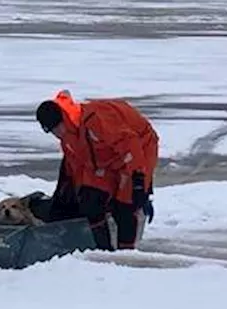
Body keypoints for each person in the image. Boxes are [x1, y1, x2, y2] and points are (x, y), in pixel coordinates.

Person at [35, 90, 159, 251]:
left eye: (57, 129)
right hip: (106, 160)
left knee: (126, 205)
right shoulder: (68, 138)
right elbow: (78, 167)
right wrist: (77, 193)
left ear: (63, 119)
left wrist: (138, 181)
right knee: (91, 204)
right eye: (51, 131)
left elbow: (131, 146)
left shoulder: (97, 120)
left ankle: (127, 253)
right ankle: (104, 251)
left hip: (139, 149)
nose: (56, 134)